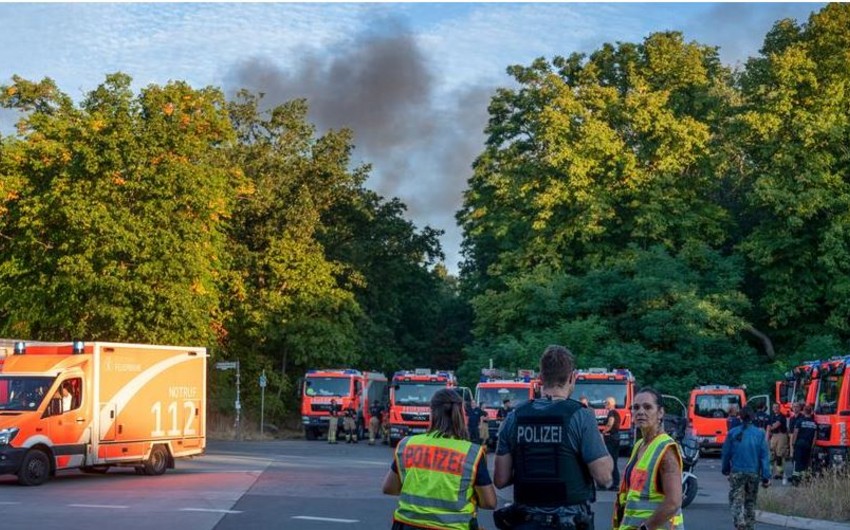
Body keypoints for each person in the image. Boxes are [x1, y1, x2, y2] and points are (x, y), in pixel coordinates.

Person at [494, 345, 612, 530]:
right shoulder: (581, 415)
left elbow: (500, 479)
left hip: (526, 519)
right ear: (572, 377)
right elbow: (605, 477)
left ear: (540, 378)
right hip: (569, 520)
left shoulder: (514, 417)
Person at [382, 388, 497, 529]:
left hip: (407, 524)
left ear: (432, 413)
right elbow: (489, 502)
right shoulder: (472, 453)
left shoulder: (407, 445)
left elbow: (389, 488)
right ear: (462, 414)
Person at [612, 387, 684, 530]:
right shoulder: (639, 445)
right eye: (636, 407)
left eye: (648, 407)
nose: (640, 412)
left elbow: (674, 502)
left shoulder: (666, 450)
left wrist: (646, 527)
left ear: (660, 412)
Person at [721, 406, 771, 530]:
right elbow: (764, 456)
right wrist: (766, 477)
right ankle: (749, 526)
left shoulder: (733, 433)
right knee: (750, 502)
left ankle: (739, 520)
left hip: (737, 471)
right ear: (753, 418)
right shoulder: (759, 434)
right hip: (753, 472)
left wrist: (726, 469)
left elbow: (726, 453)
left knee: (735, 498)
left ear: (740, 417)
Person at [790, 404, 817, 485]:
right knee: (805, 462)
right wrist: (812, 446)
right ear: (811, 412)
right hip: (808, 445)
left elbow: (795, 433)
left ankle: (795, 480)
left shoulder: (799, 421)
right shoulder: (814, 423)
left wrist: (793, 443)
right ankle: (805, 480)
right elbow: (815, 437)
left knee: (797, 462)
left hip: (799, 444)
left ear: (804, 411)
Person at [601, 396, 621, 491]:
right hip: (616, 438)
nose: (604, 405)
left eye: (605, 403)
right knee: (614, 461)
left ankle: (614, 483)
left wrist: (603, 432)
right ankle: (614, 483)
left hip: (611, 439)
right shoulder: (616, 413)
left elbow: (610, 424)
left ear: (609, 404)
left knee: (610, 461)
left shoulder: (611, 413)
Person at [766, 403, 789, 483]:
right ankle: (770, 472)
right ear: (772, 408)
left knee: (779, 454)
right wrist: (767, 437)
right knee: (772, 453)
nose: (775, 408)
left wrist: (770, 428)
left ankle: (779, 473)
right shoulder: (771, 417)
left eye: (777, 407)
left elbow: (776, 425)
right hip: (774, 435)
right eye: (774, 407)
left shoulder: (782, 416)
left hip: (781, 435)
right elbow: (768, 427)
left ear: (779, 408)